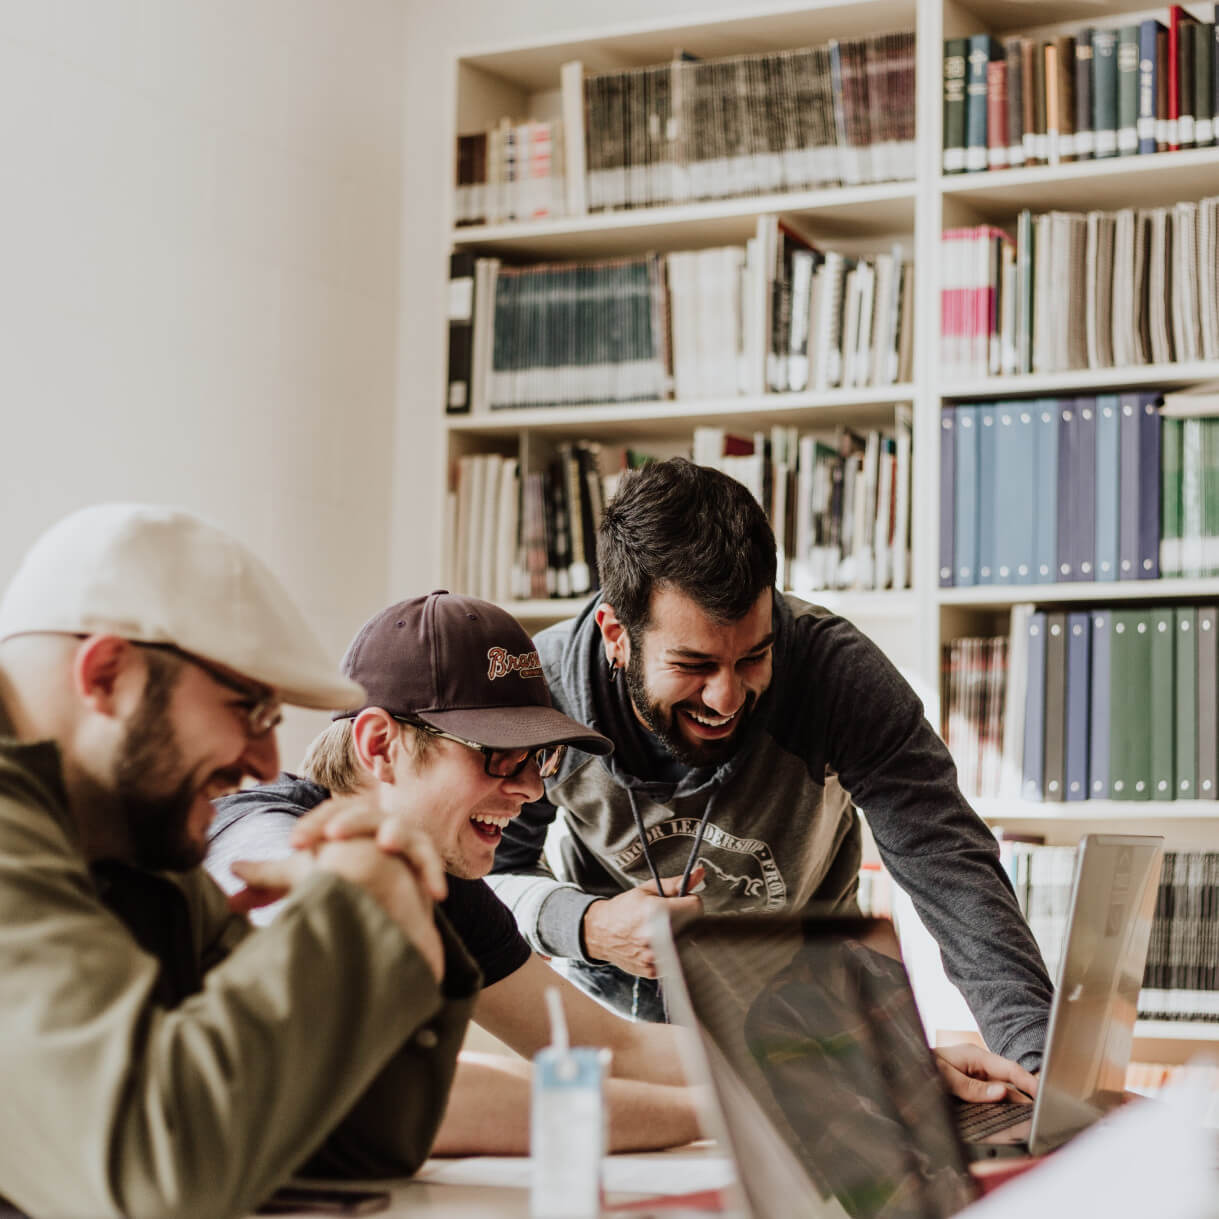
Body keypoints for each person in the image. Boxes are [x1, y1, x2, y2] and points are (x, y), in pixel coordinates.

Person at [488, 457, 1056, 1072]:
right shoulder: (543, 697)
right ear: (616, 635)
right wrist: (589, 926)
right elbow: (487, 880)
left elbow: (950, 868)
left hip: (810, 1026)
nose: (726, 698)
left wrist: (1037, 1068)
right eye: (694, 666)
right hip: (617, 1038)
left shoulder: (838, 675)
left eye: (753, 657)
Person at [0, 504, 476, 1219]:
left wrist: (395, 905)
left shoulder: (137, 848)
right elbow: (154, 1173)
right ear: (105, 675)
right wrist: (355, 911)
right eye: (247, 708)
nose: (265, 763)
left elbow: (349, 1144)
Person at [207, 591, 708, 1154]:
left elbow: (607, 1046)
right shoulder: (263, 841)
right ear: (380, 746)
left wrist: (788, 1069)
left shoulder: (439, 881)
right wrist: (720, 1115)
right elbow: (389, 1092)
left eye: (539, 758)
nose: (532, 789)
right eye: (499, 754)